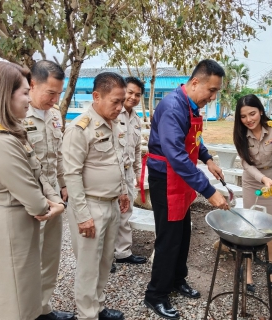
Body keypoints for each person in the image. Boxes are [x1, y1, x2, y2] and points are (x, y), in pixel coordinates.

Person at [0, 61, 66, 320]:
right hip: (12, 227)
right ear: (4, 94)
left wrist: (56, 198)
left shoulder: (12, 133)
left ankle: (42, 309)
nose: (28, 99)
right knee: (13, 303)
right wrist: (52, 205)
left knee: (23, 295)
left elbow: (42, 168)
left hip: (23, 222)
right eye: (24, 92)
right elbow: (35, 201)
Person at [142, 59, 229, 320]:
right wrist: (209, 190)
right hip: (167, 178)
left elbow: (193, 140)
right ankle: (155, 294)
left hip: (182, 178)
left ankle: (177, 279)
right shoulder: (172, 106)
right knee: (168, 239)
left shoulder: (191, 106)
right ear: (195, 83)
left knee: (182, 233)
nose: (212, 97)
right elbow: (176, 154)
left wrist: (208, 158)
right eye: (211, 90)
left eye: (216, 92)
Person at [62, 72, 130, 320]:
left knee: (104, 262)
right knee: (88, 267)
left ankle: (98, 307)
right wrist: (82, 216)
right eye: (115, 101)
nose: (120, 107)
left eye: (122, 101)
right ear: (96, 96)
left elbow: (117, 161)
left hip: (111, 205)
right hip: (90, 206)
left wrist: (122, 191)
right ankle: (86, 314)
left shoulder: (113, 124)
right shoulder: (79, 129)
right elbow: (71, 174)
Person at [24, 60, 74, 320]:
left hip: (55, 196)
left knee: (50, 254)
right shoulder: (17, 113)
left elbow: (58, 155)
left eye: (59, 93)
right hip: (28, 198)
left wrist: (63, 184)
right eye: (50, 93)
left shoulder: (54, 115)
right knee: (27, 258)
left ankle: (43, 307)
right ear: (32, 85)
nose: (55, 100)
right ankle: (25, 310)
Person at [233, 94, 272, 293]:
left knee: (271, 226)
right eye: (243, 116)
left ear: (261, 111)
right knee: (251, 225)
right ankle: (249, 270)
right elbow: (245, 163)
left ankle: (271, 269)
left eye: (252, 113)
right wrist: (262, 179)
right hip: (253, 181)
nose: (249, 120)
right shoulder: (240, 133)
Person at [113, 77, 147, 271]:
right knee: (109, 215)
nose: (133, 97)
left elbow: (136, 150)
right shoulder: (113, 114)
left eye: (137, 95)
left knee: (126, 212)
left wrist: (137, 174)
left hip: (127, 173)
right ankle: (105, 257)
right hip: (111, 172)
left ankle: (123, 253)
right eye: (130, 92)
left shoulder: (135, 119)